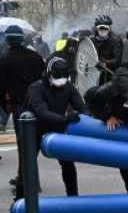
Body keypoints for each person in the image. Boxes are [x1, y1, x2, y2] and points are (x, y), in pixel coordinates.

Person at [13, 57, 84, 200]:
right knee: (27, 166)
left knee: (67, 163)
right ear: (49, 73)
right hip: (32, 129)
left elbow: (81, 106)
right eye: (58, 75)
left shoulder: (68, 86)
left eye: (65, 75)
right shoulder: (36, 87)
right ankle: (20, 201)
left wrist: (86, 116)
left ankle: (73, 198)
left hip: (56, 125)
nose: (62, 79)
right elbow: (41, 111)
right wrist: (65, 119)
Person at [0, 25, 45, 145]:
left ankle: (25, 158)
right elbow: (44, 78)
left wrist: (4, 105)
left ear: (7, 40)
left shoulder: (5, 60)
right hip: (37, 103)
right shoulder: (35, 56)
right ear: (22, 39)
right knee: (36, 139)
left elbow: (2, 86)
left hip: (19, 105)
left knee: (23, 142)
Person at [91, 14, 124, 85]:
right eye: (101, 28)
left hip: (110, 73)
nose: (103, 30)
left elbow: (117, 60)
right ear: (96, 29)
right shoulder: (91, 40)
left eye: (106, 28)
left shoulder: (116, 40)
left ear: (110, 29)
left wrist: (105, 62)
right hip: (93, 72)